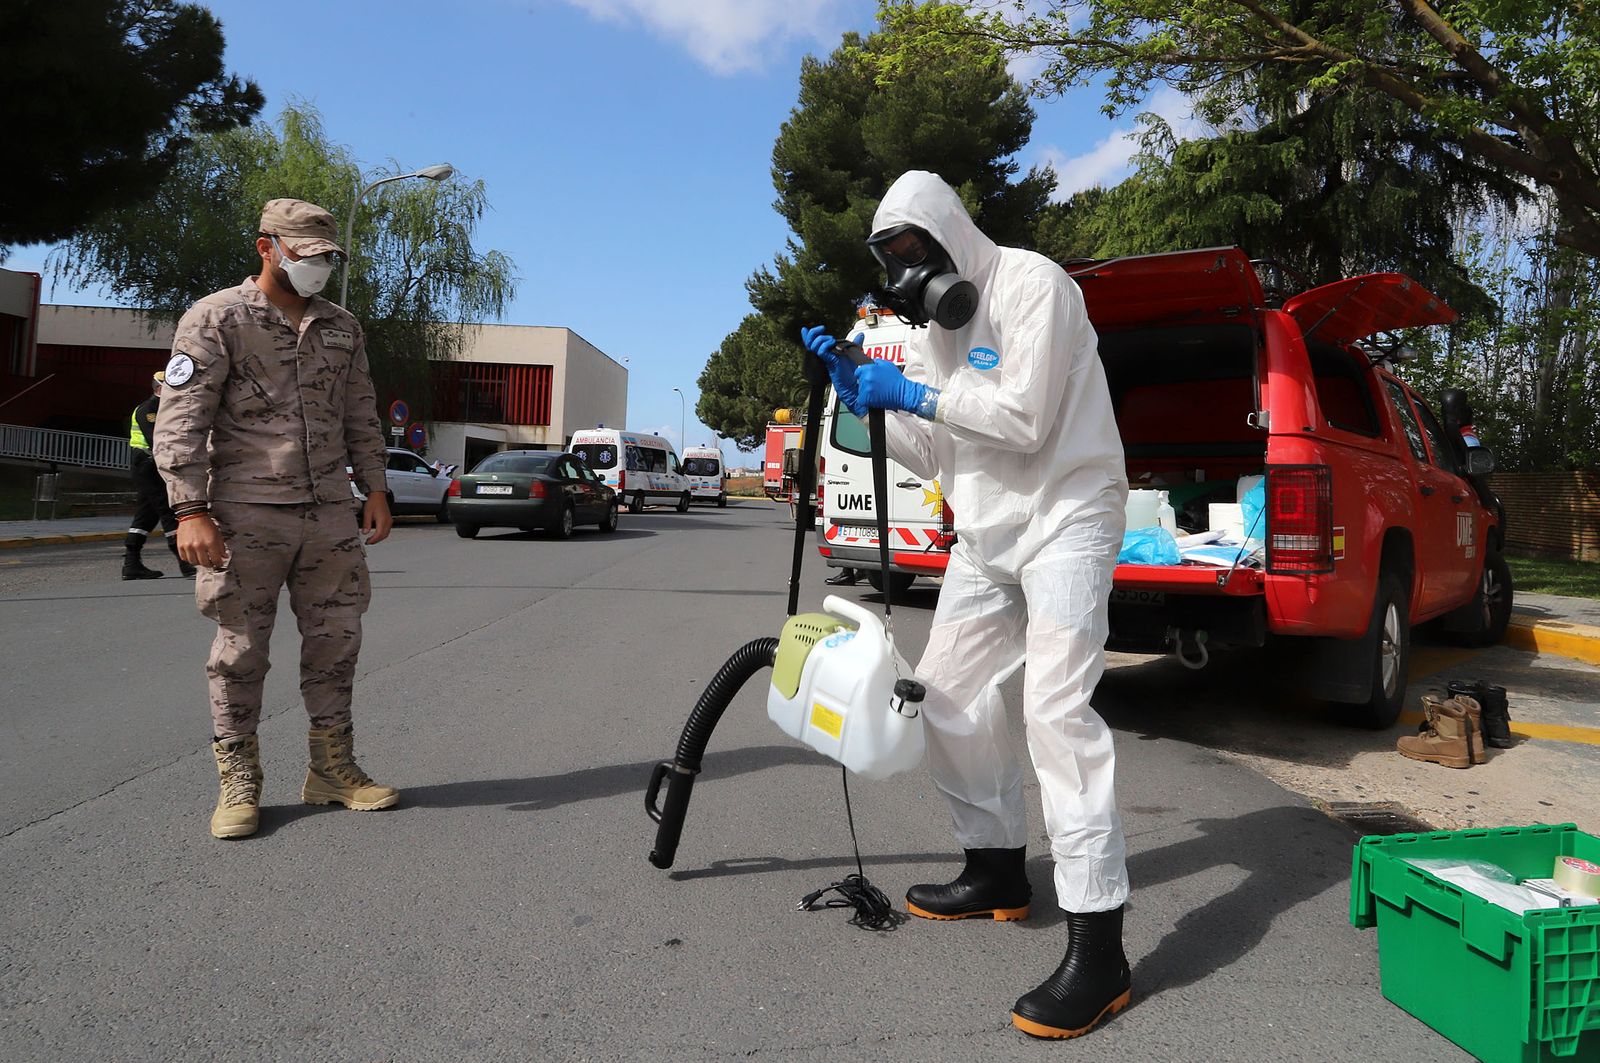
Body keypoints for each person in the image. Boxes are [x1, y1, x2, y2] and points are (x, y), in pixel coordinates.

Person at [802, 171, 1131, 1040]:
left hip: (1068, 511)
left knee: (1056, 711)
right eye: (894, 263)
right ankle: (996, 868)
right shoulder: (932, 336)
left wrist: (913, 391)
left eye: (918, 255)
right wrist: (860, 389)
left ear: (950, 235)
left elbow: (1022, 417)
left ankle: (1101, 946)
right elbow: (937, 445)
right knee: (943, 693)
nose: (910, 278)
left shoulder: (1034, 285)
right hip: (988, 531)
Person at [154, 198, 399, 840]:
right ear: (268, 247)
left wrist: (374, 487)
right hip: (244, 513)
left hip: (328, 515)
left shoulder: (342, 326)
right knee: (239, 652)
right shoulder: (217, 318)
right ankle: (239, 781)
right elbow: (182, 419)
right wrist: (190, 510)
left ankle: (332, 770)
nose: (317, 268)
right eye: (306, 256)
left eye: (326, 259)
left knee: (337, 643)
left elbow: (360, 413)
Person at [123, 371, 194, 580]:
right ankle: (185, 562)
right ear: (158, 389)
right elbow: (158, 441)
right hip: (147, 465)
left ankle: (131, 564)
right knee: (167, 509)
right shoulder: (149, 409)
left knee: (147, 515)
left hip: (152, 466)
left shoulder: (166, 409)